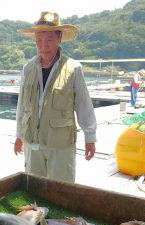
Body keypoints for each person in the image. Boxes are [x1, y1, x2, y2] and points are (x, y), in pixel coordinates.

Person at [14, 12, 97, 183]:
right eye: (39, 40)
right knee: (34, 190)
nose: (44, 45)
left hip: (60, 144)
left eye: (49, 40)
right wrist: (18, 135)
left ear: (59, 39)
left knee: (62, 190)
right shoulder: (27, 68)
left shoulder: (73, 68)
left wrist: (90, 137)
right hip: (32, 143)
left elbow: (83, 104)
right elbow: (21, 106)